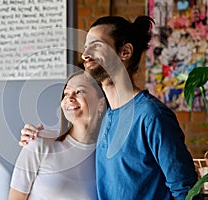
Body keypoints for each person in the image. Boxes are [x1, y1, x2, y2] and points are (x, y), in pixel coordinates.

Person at [19, 16, 199, 199]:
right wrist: (38, 135)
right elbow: (75, 139)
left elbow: (187, 192)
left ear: (125, 52)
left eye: (96, 45)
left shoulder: (152, 116)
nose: (85, 55)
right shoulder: (106, 118)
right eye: (85, 47)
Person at [8, 70, 107, 200]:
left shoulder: (104, 154)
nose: (70, 98)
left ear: (101, 104)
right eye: (66, 94)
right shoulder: (39, 142)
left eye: (79, 91)